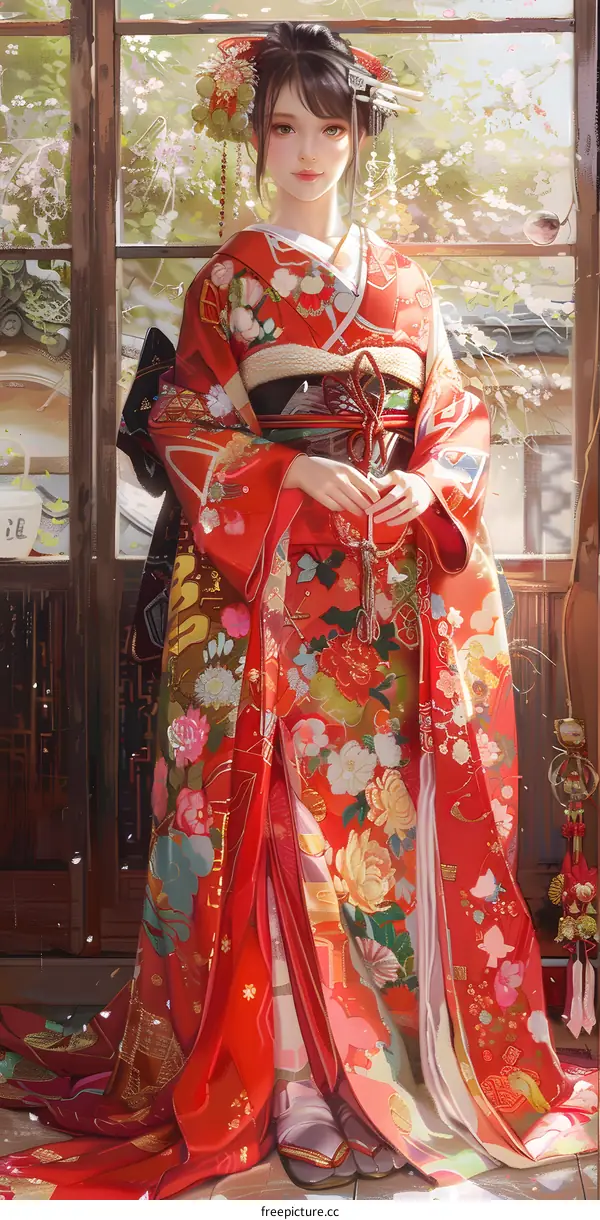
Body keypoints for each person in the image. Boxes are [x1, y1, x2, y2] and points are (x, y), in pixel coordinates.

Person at [0, 21, 595, 1202]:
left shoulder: (402, 277)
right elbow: (181, 423)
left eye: (330, 126)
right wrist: (289, 470)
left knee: (376, 838)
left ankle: (385, 1067)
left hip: (384, 604)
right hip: (269, 599)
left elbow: (460, 414)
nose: (308, 149)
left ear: (357, 134)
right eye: (285, 126)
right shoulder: (231, 277)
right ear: (256, 132)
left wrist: (428, 478)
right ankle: (290, 1079)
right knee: (273, 830)